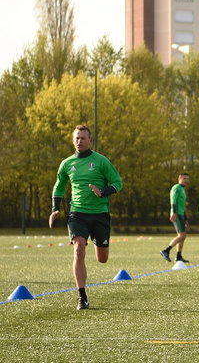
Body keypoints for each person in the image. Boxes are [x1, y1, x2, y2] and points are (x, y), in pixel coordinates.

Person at [49, 125, 123, 310]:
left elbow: (118, 182)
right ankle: (82, 297)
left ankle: (101, 247)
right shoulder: (67, 164)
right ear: (73, 140)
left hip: (99, 214)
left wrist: (103, 192)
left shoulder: (101, 161)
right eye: (77, 138)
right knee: (78, 249)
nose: (79, 141)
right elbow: (59, 187)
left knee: (102, 258)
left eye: (83, 138)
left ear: (90, 140)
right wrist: (55, 209)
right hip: (77, 214)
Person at [160, 173, 190, 263]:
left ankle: (178, 256)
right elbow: (173, 201)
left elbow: (182, 205)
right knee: (182, 235)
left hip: (181, 214)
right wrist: (173, 212)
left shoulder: (182, 189)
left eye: (188, 179)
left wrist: (185, 218)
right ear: (179, 178)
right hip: (177, 214)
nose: (186, 180)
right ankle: (166, 250)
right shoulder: (176, 187)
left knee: (182, 236)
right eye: (184, 178)